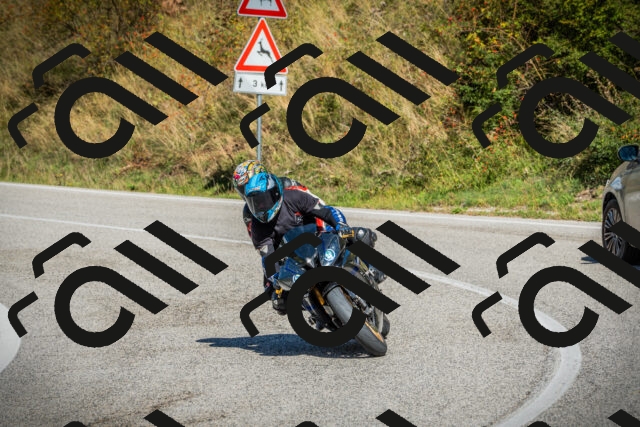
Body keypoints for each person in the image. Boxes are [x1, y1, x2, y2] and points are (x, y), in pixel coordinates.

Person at [244, 172, 385, 315]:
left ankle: (369, 269)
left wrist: (341, 226)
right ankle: (317, 314)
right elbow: (267, 256)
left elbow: (327, 211)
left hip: (320, 237)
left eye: (263, 200)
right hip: (293, 259)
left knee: (361, 235)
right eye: (255, 202)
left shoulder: (293, 197)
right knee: (277, 300)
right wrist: (275, 278)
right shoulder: (257, 226)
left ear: (275, 193)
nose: (260, 206)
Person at [232, 160, 327, 238]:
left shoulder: (287, 184)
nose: (245, 192)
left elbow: (318, 205)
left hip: (310, 231)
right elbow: (258, 239)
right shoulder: (248, 212)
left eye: (246, 186)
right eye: (241, 189)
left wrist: (322, 232)